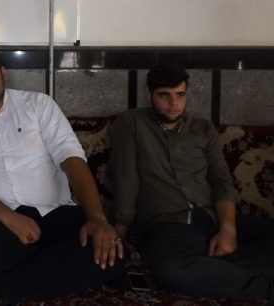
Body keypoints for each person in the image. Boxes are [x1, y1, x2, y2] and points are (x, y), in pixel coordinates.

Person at [0, 48, 125, 304]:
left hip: (54, 214)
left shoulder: (38, 105)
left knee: (112, 249)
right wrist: (9, 217)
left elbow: (70, 157)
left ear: (3, 72)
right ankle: (52, 269)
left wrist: (96, 218)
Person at [111, 63, 274, 299]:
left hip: (212, 218)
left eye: (180, 94)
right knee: (172, 270)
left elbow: (221, 179)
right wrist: (119, 234)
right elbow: (126, 179)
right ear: (150, 95)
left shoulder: (203, 128)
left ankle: (210, 267)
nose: (173, 103)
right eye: (164, 95)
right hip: (169, 226)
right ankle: (263, 286)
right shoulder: (132, 123)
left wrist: (228, 229)